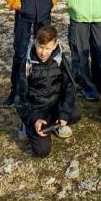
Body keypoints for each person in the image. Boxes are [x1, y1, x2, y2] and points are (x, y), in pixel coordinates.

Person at [15, 25, 81, 158]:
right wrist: (34, 119)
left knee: (75, 113)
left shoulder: (60, 59)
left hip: (55, 106)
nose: (43, 53)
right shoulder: (26, 64)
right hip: (37, 111)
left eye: (48, 48)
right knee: (42, 151)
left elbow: (69, 87)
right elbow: (20, 99)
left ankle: (56, 124)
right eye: (40, 47)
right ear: (35, 42)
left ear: (55, 45)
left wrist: (64, 112)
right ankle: (27, 126)